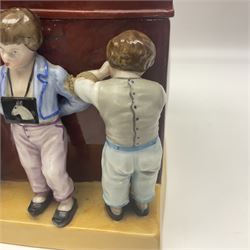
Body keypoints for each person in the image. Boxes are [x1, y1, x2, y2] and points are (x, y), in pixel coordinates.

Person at [0, 8, 89, 227]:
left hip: (48, 130)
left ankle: (65, 198)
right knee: (30, 165)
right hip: (19, 129)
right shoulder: (2, 74)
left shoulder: (53, 73)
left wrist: (56, 111)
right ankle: (40, 193)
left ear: (33, 45)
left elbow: (80, 99)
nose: (5, 57)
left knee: (53, 169)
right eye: (1, 50)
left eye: (13, 52)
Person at [66, 30, 167, 220]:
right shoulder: (158, 90)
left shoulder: (101, 90)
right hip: (151, 148)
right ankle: (142, 204)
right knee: (146, 177)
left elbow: (78, 83)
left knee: (115, 180)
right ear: (148, 63)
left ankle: (116, 210)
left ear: (111, 61)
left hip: (118, 152)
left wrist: (103, 72)